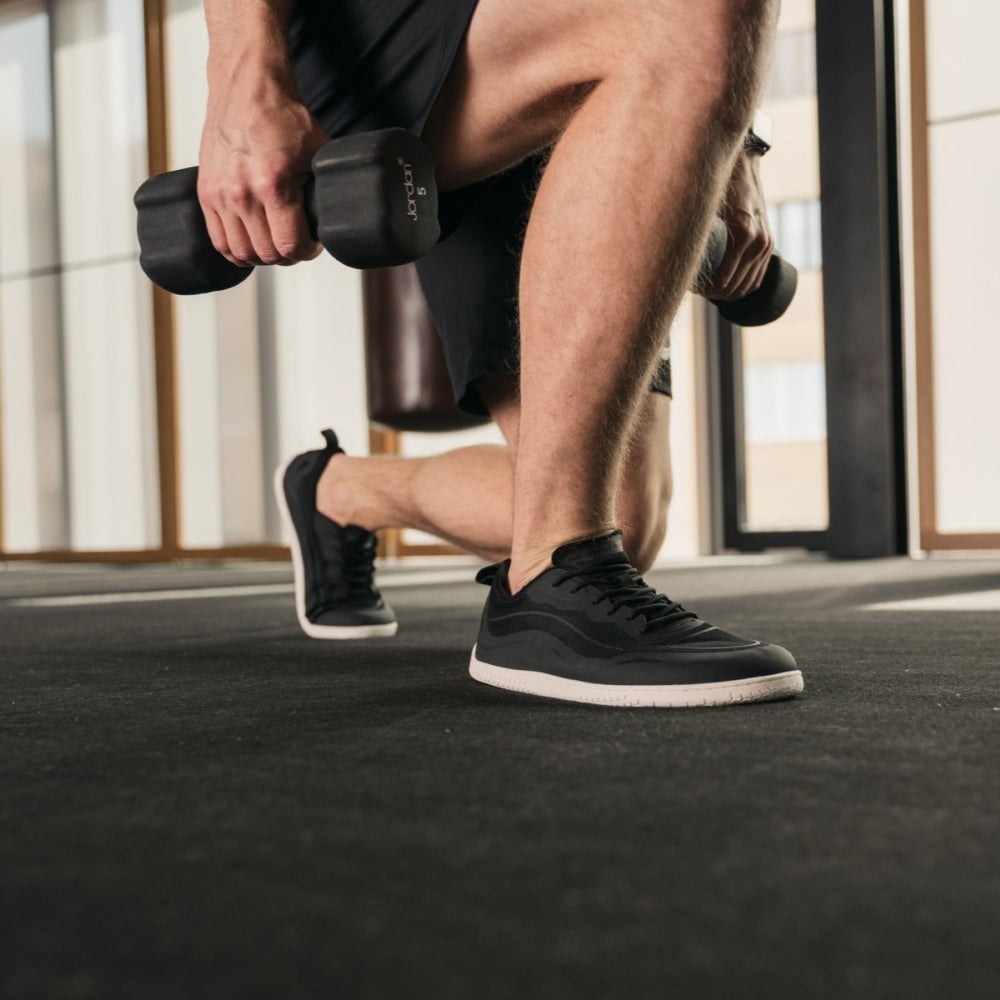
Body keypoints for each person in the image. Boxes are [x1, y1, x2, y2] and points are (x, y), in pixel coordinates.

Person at [197, 0, 804, 707]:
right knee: (693, 13)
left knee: (627, 514)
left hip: (560, 41)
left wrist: (732, 136)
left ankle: (341, 491)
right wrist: (244, 81)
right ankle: (546, 588)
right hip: (381, 33)